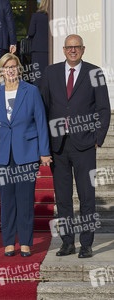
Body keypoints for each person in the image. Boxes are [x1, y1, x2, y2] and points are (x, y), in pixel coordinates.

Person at [40, 34, 111, 258]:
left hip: (85, 145)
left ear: (83, 49)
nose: (73, 51)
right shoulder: (51, 73)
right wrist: (44, 144)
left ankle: (87, 244)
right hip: (58, 146)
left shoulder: (95, 72)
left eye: (77, 47)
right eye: (69, 47)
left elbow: (103, 108)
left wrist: (98, 138)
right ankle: (67, 242)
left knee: (87, 196)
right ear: (63, 50)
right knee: (62, 198)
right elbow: (43, 107)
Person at [0, 53, 51, 257]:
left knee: (25, 200)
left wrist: (44, 152)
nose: (10, 70)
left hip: (27, 153)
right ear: (1, 71)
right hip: (2, 154)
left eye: (13, 66)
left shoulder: (31, 91)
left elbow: (41, 122)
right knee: (7, 201)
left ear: (19, 69)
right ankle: (9, 242)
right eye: (6, 67)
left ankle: (26, 242)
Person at [28, 0, 49, 87]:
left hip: (38, 50)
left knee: (38, 78)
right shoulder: (55, 16)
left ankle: (38, 99)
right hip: (51, 49)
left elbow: (30, 32)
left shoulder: (36, 16)